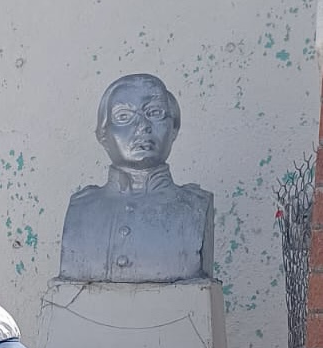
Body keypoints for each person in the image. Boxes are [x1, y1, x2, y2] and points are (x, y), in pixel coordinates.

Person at [58, 73, 213, 283]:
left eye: (155, 112)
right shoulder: (81, 208)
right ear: (103, 134)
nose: (142, 125)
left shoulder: (195, 206)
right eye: (124, 116)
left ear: (174, 128)